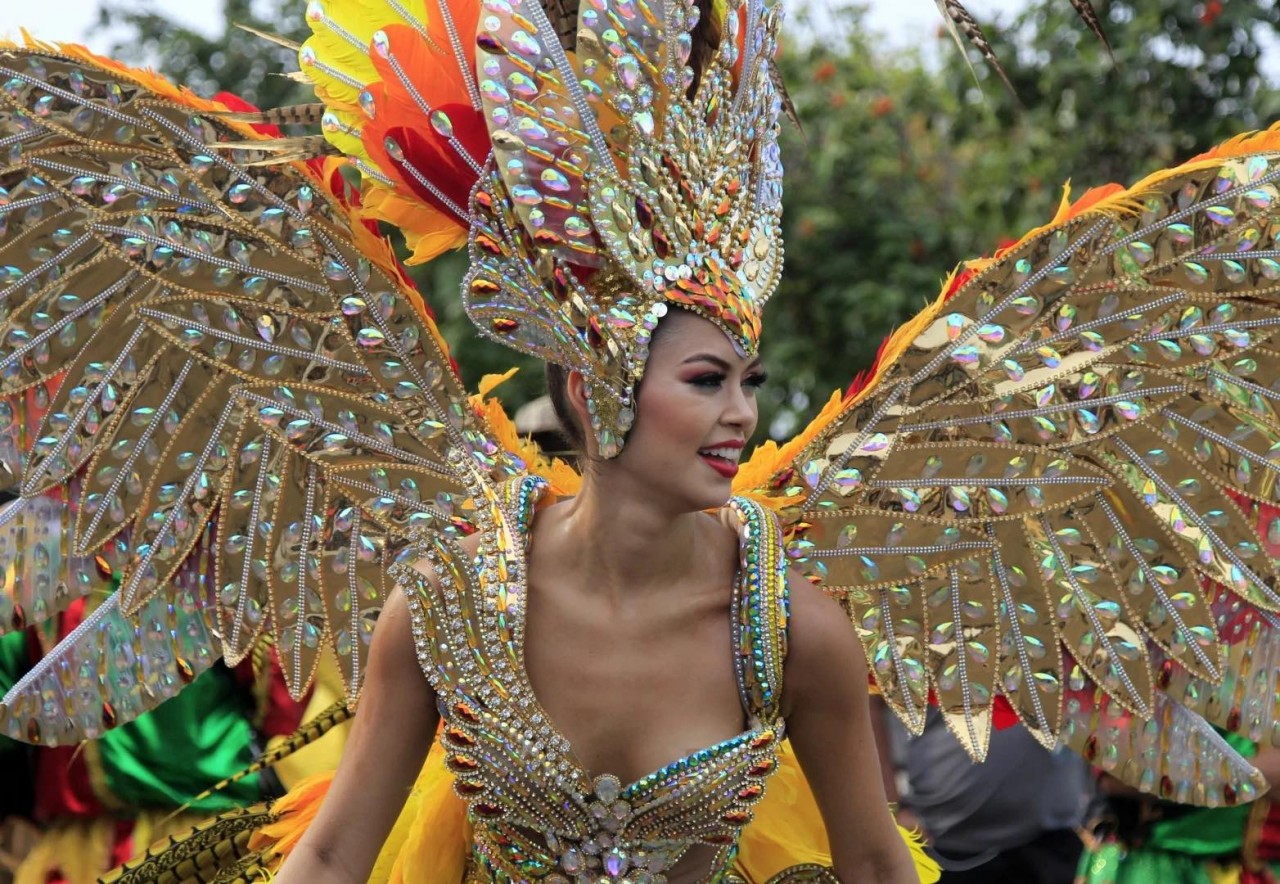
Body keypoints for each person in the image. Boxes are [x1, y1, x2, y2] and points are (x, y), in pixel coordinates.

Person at [4, 0, 1280, 882]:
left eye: (749, 382)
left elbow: (874, 860)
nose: (743, 416)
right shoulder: (446, 598)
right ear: (596, 380)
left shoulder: (792, 624)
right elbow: (337, 852)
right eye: (707, 380)